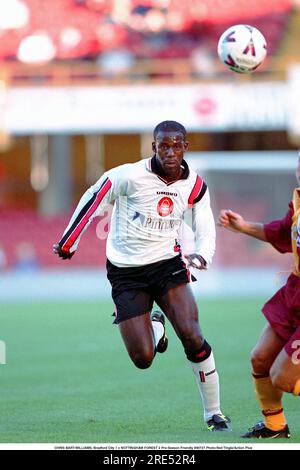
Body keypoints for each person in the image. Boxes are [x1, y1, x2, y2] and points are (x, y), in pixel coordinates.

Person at [53, 120, 230, 432]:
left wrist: (204, 254)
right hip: (125, 272)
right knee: (143, 358)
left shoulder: (195, 185)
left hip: (167, 264)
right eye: (164, 145)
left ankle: (214, 413)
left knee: (191, 334)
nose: (170, 152)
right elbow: (93, 197)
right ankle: (155, 325)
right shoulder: (129, 175)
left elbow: (205, 226)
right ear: (154, 147)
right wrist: (70, 240)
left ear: (185, 147)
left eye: (177, 145)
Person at [218, 154, 300, 439]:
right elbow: (280, 232)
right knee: (260, 359)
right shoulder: (299, 201)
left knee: (285, 379)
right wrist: (243, 227)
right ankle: (275, 425)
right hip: (294, 294)